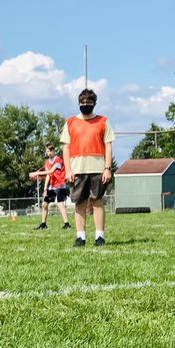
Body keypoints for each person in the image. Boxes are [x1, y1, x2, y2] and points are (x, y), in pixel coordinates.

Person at [60, 88, 115, 247]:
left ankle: (100, 237)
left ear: (94, 103)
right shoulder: (70, 122)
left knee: (97, 201)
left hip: (98, 169)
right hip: (77, 170)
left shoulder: (104, 121)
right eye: (83, 102)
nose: (85, 104)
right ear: (78, 103)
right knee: (79, 203)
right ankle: (80, 237)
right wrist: (68, 170)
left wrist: (107, 168)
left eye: (89, 102)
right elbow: (66, 148)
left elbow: (108, 146)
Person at [27, 143, 71, 230]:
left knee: (60, 204)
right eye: (48, 151)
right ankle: (43, 224)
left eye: (51, 151)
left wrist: (36, 173)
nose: (49, 153)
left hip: (60, 185)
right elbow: (48, 175)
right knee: (45, 204)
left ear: (54, 151)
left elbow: (51, 171)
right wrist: (45, 189)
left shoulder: (58, 160)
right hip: (52, 185)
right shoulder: (47, 163)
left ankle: (67, 224)